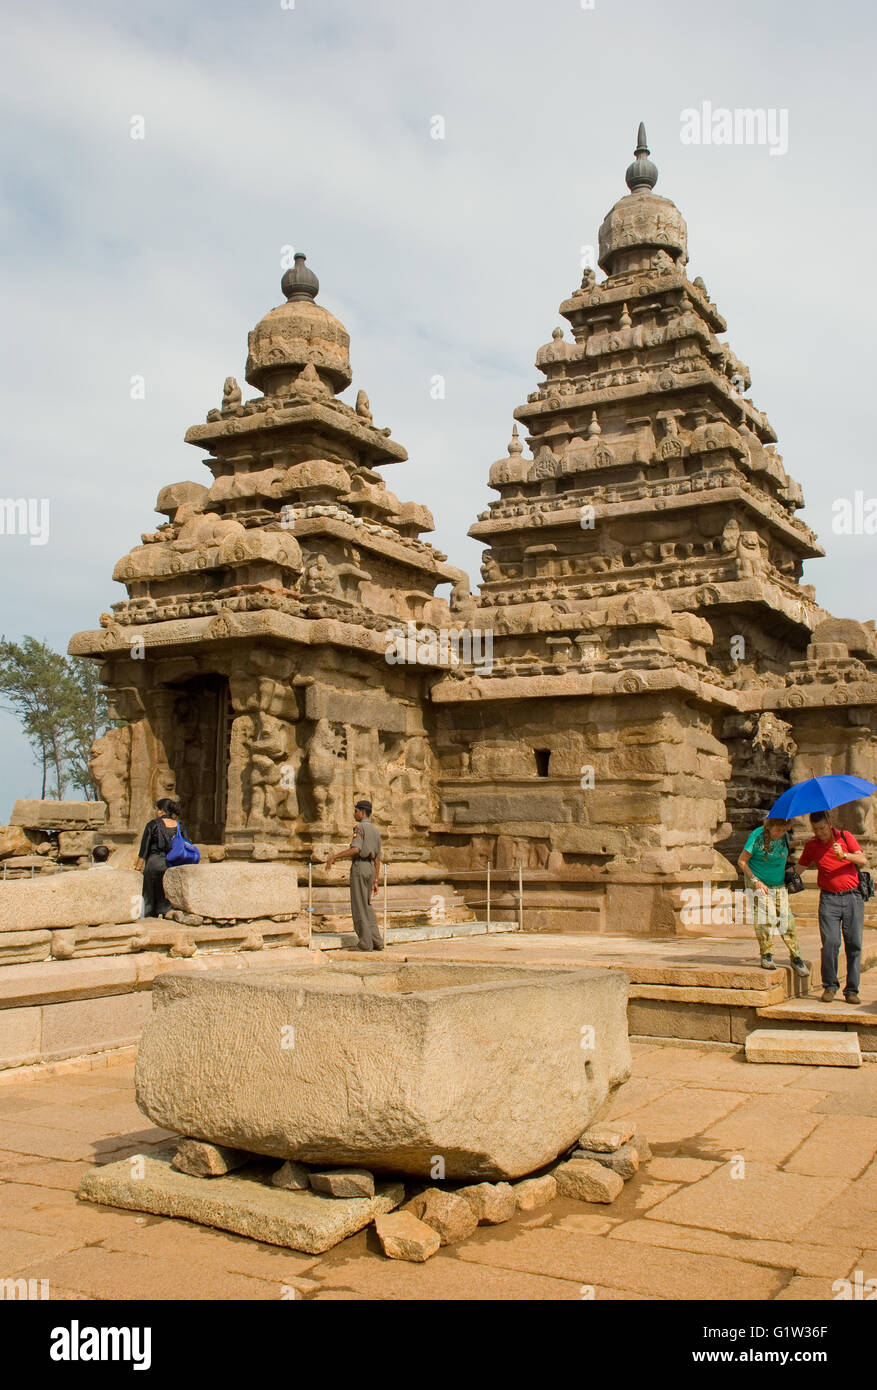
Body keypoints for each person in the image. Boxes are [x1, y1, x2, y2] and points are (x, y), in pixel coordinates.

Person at [796, 810, 868, 1004]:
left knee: (854, 943)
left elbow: (862, 859)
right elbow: (799, 869)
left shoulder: (845, 836)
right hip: (829, 899)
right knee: (830, 943)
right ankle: (829, 985)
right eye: (816, 829)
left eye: (822, 828)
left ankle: (851, 989)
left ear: (829, 823)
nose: (820, 832)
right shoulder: (812, 845)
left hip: (853, 897)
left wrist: (843, 854)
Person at [738, 817, 809, 977]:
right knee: (766, 918)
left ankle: (796, 956)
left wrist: (801, 842)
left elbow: (781, 847)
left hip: (778, 884)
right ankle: (767, 954)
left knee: (787, 919)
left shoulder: (783, 836)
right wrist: (756, 881)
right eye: (777, 830)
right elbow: (742, 861)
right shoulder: (757, 837)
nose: (780, 833)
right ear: (769, 826)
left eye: (784, 830)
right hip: (759, 882)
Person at [326, 800, 383, 951]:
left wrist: (335, 857)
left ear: (362, 812)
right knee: (367, 905)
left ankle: (365, 943)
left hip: (360, 866)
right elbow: (377, 859)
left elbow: (356, 849)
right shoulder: (376, 831)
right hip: (370, 868)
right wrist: (376, 880)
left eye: (356, 810)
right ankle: (377, 941)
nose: (354, 813)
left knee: (359, 906)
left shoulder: (359, 827)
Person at [135, 798, 180, 920]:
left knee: (149, 891)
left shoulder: (152, 824)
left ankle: (147, 915)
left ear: (161, 811)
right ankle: (165, 913)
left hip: (154, 862)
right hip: (172, 862)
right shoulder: (179, 826)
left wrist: (138, 867)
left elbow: (144, 849)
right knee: (165, 891)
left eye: (156, 809)